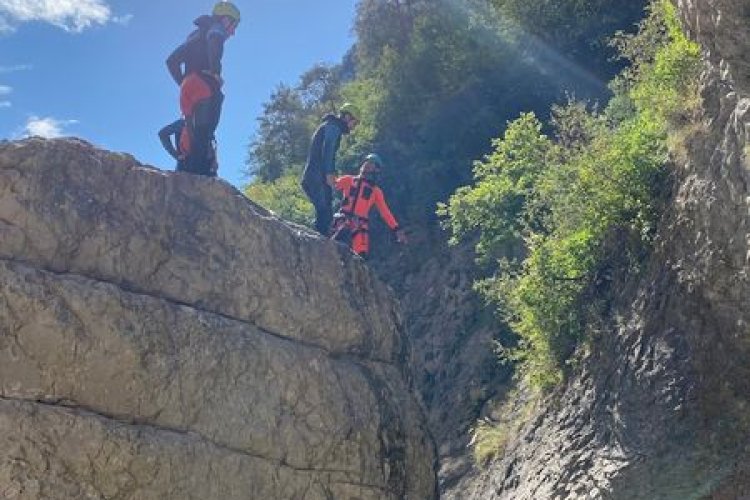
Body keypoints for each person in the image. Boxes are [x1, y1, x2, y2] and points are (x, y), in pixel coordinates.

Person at [165, 1, 240, 177]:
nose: (233, 32)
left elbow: (171, 61)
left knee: (193, 134)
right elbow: (215, 39)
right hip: (204, 85)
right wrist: (214, 72)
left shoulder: (195, 35)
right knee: (205, 134)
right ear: (225, 19)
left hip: (188, 88)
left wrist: (184, 82)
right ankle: (202, 178)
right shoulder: (216, 28)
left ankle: (184, 173)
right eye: (234, 25)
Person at [331, 153, 407, 259]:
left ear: (376, 170)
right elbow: (332, 184)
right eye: (367, 162)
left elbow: (385, 212)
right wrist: (328, 171)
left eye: (371, 163)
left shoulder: (375, 191)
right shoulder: (348, 180)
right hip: (343, 221)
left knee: (360, 256)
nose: (366, 164)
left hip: (360, 225)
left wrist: (396, 229)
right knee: (334, 245)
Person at [301, 103, 360, 235]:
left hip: (311, 176)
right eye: (354, 123)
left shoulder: (328, 125)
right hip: (317, 176)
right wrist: (329, 173)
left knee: (323, 211)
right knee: (325, 212)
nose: (353, 127)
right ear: (347, 117)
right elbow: (328, 149)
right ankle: (320, 246)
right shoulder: (333, 127)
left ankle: (317, 241)